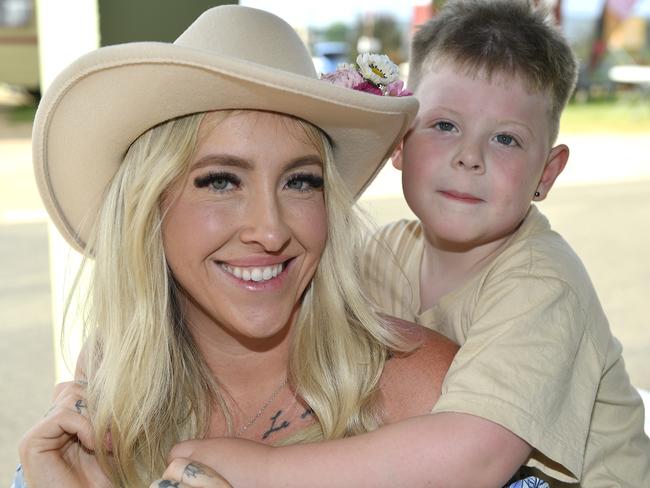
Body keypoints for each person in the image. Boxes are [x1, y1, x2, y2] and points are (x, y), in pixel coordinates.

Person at [16, 5, 463, 487]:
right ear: (148, 206)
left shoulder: (427, 391)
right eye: (222, 181)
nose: (270, 232)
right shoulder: (114, 377)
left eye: (300, 182)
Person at [360, 0, 650, 486]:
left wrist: (262, 470)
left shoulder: (542, 283)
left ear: (547, 173)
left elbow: (469, 464)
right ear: (399, 141)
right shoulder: (380, 255)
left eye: (506, 140)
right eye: (445, 125)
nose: (469, 156)